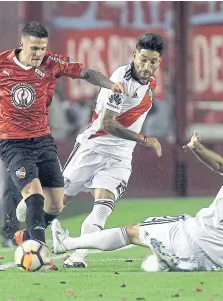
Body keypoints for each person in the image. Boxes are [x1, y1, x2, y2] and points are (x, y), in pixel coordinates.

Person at [0, 21, 126, 254]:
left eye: (43, 48)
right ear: (22, 44)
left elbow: (86, 72)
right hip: (12, 141)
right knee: (33, 193)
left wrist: (110, 84)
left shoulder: (52, 63)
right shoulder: (0, 63)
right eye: (34, 48)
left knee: (56, 204)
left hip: (43, 139)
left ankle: (25, 234)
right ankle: (38, 246)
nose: (39, 54)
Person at [51, 128, 223, 272]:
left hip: (194, 235)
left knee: (131, 232)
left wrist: (199, 149)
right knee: (165, 251)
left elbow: (222, 165)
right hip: (219, 259)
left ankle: (67, 243)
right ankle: (170, 262)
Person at [40, 33, 164, 268]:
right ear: (135, 55)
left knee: (101, 211)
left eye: (153, 62)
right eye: (143, 60)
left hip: (120, 157)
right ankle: (30, 238)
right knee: (55, 204)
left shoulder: (150, 84)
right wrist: (143, 139)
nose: (147, 66)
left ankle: (76, 256)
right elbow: (108, 123)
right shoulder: (120, 81)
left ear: (160, 62)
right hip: (93, 148)